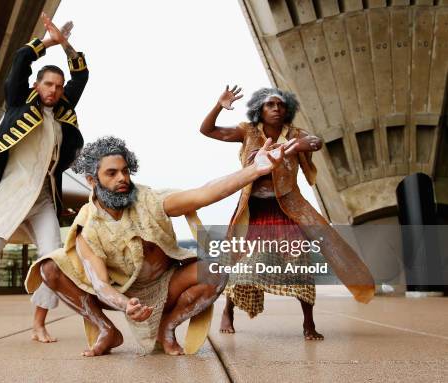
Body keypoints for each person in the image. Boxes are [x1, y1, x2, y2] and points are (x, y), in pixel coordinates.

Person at [24, 135, 294, 357]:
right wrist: (124, 303)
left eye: (125, 171)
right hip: (122, 293)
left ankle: (168, 325)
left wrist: (254, 170)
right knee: (49, 267)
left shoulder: (150, 200)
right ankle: (106, 329)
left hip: (167, 284)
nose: (122, 178)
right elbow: (100, 284)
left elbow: (204, 193)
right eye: (112, 173)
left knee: (215, 271)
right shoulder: (87, 226)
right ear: (93, 181)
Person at [200, 86, 374, 340]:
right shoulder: (247, 131)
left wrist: (300, 144)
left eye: (281, 105)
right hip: (254, 212)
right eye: (270, 105)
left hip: (288, 210)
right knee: (242, 266)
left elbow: (316, 142)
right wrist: (218, 106)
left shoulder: (294, 134)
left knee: (301, 265)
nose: (276, 109)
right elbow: (207, 130)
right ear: (260, 109)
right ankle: (228, 311)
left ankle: (308, 324)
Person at [0, 13, 89, 345]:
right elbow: (19, 59)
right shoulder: (18, 103)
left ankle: (38, 325)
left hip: (44, 198)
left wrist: (68, 45)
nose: (55, 90)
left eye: (58, 87)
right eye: (48, 84)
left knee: (53, 263)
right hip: (10, 193)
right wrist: (48, 42)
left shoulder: (62, 110)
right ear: (37, 85)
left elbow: (82, 74)